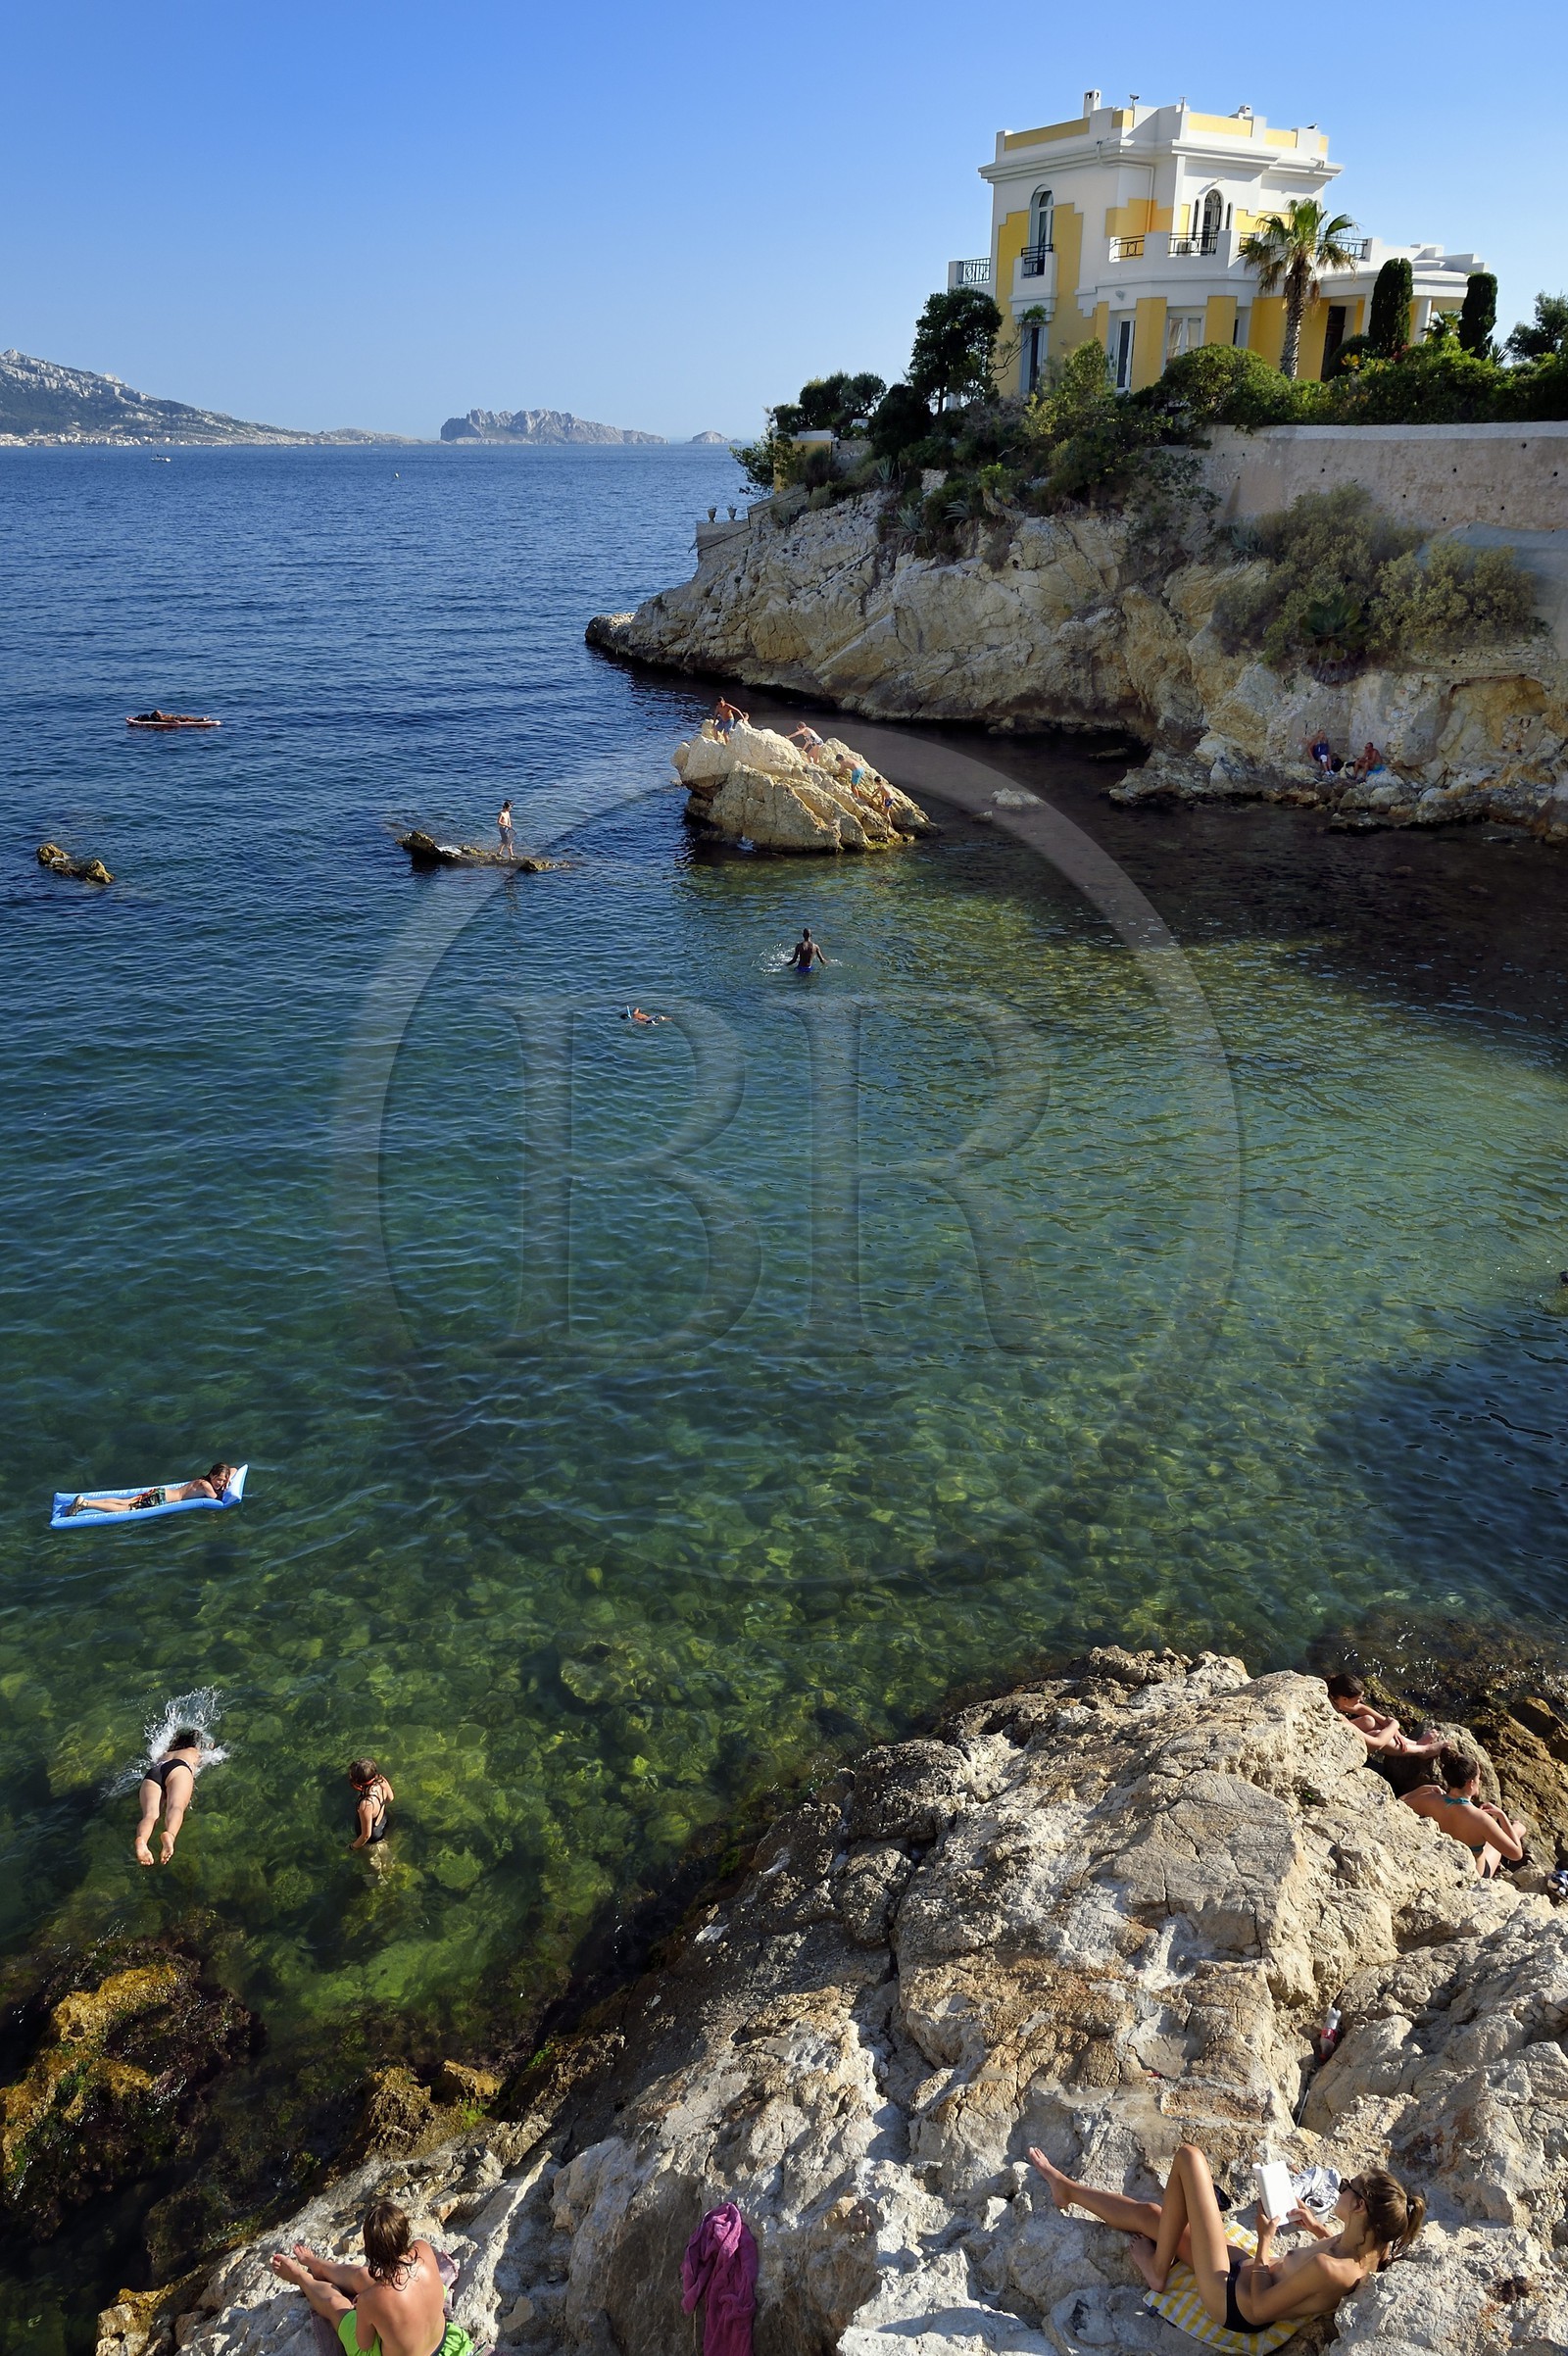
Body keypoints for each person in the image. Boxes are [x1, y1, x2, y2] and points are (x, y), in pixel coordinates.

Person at [1026, 2144, 1423, 2334]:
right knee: (1155, 2217)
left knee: (1189, 2159)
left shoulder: (1330, 2268)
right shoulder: (1374, 2247)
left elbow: (1259, 2309)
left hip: (1234, 2301)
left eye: (1350, 2187)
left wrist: (1265, 2241)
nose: (1343, 2188)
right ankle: (1067, 2189)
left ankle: (1157, 2272)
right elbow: (1342, 2252)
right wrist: (1315, 2228)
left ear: (1359, 2209)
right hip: (1246, 2273)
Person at [270, 2202, 470, 2356]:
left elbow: (364, 2344)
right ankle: (317, 2265)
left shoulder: (371, 2299)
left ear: (371, 2250)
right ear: (404, 2233)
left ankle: (300, 2277)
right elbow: (399, 2282)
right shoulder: (423, 2249)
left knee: (335, 2304)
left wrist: (367, 2310)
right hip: (441, 2340)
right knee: (363, 2276)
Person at [1400, 1745, 1527, 1874]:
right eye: (1479, 1779)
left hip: (1442, 1862)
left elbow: (1396, 1806)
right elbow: (1516, 1854)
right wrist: (1501, 1816)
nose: (1479, 1782)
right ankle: (1516, 1829)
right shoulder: (1481, 1819)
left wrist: (1421, 1789)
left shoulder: (1428, 1800)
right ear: (1471, 1783)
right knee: (1515, 1829)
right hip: (1474, 1874)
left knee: (1494, 1835)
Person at [134, 1728, 211, 1866]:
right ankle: (170, 1834)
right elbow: (211, 1755)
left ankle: (142, 1840)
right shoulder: (195, 1752)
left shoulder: (164, 1753)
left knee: (150, 1815)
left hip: (155, 1771)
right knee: (176, 1806)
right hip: (179, 1768)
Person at [1324, 1672, 1441, 1757]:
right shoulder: (1340, 1718)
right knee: (1378, 1735)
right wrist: (1394, 1725)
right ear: (1344, 1699)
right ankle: (1422, 1750)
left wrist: (1393, 1730)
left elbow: (1361, 1709)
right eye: (1357, 1699)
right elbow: (1377, 1743)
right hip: (1339, 1747)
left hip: (1342, 1733)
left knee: (1368, 1720)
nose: (1360, 1701)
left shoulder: (1333, 1697)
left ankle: (1414, 1743)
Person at [66, 1462, 239, 1516]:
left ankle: (85, 1501)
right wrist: (224, 1487)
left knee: (125, 1501)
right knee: (126, 1508)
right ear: (211, 1475)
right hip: (160, 1499)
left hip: (160, 1492)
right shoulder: (206, 1486)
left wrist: (228, 1478)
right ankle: (85, 1504)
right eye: (218, 1479)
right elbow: (218, 1501)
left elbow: (234, 1469)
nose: (220, 1483)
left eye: (222, 1480)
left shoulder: (202, 1481)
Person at [349, 1758, 395, 1851]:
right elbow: (390, 1798)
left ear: (357, 1782)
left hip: (372, 1838)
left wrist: (352, 1847)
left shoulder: (366, 1805)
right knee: (386, 1855)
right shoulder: (381, 1780)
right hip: (383, 1822)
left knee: (373, 1862)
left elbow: (366, 1835)